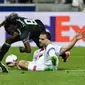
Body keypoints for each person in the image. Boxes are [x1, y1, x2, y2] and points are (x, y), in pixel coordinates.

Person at [17, 31, 85, 71]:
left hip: (48, 63)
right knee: (21, 63)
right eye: (39, 39)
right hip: (39, 66)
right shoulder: (36, 52)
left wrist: (75, 39)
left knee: (49, 48)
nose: (40, 40)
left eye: (42, 39)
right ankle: (43, 69)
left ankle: (50, 64)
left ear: (48, 40)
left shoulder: (54, 47)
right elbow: (34, 62)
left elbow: (66, 48)